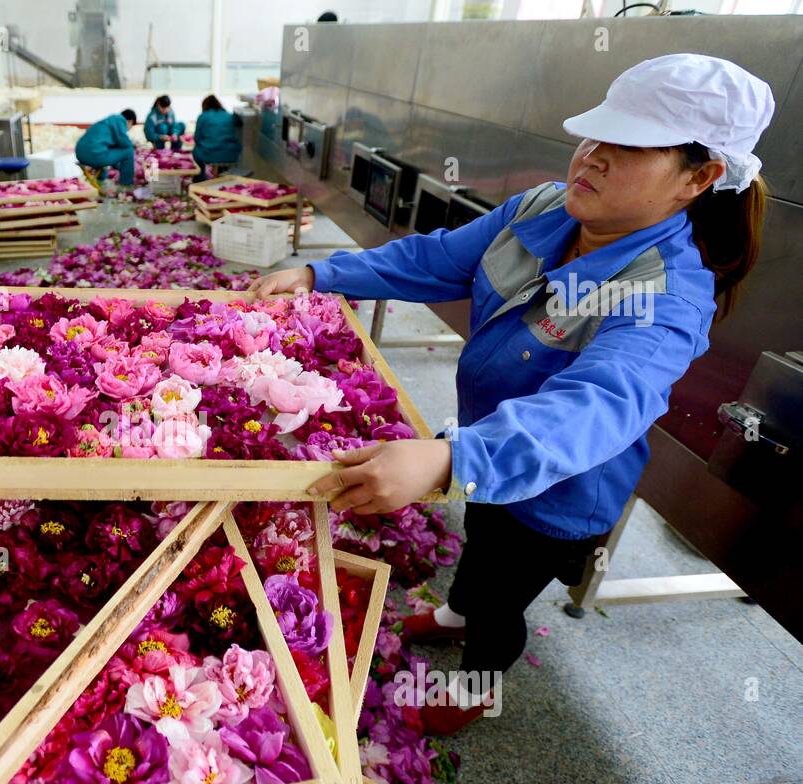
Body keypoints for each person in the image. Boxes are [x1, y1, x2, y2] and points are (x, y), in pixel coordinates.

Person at [250, 54, 774, 734]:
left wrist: (447, 462)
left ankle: (478, 677)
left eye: (630, 147)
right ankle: (453, 612)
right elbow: (433, 258)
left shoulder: (664, 298)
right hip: (483, 450)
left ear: (699, 178)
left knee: (504, 592)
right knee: (481, 543)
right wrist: (324, 273)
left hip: (557, 495)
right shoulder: (543, 211)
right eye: (597, 134)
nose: (593, 157)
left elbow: (595, 406)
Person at [75, 108, 138, 187]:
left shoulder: (108, 121)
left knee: (107, 164)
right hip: (94, 155)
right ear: (130, 121)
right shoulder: (120, 120)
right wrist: (133, 144)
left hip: (80, 154)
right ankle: (126, 185)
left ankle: (99, 183)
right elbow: (124, 142)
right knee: (128, 150)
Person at [191, 95, 242, 181]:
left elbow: (197, 138)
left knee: (196, 152)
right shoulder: (229, 116)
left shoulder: (203, 116)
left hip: (209, 154)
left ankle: (200, 180)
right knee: (223, 154)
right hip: (231, 154)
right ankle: (223, 174)